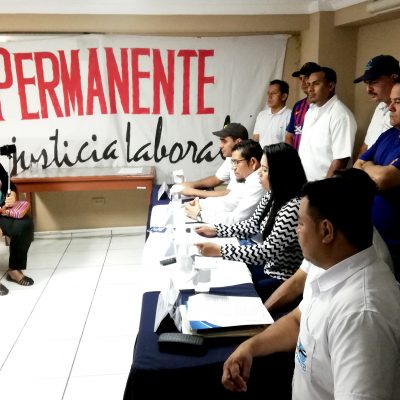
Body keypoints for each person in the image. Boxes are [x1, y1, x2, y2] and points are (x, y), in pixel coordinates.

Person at [222, 170, 400, 399]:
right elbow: (299, 321)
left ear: (326, 231)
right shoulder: (328, 264)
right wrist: (250, 346)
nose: (296, 231)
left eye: (300, 223)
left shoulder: (362, 314)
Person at [195, 142, 307, 301]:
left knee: (226, 290)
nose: (259, 173)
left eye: (265, 170)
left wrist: (221, 250)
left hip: (281, 278)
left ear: (281, 173)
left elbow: (267, 252)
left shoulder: (293, 207)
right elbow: (252, 225)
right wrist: (216, 230)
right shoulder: (272, 194)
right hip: (267, 267)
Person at [354, 78, 400, 281]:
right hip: (371, 238)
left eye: (398, 102)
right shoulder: (388, 135)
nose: (390, 107)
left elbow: (383, 179)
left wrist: (368, 165)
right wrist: (371, 167)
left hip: (395, 246)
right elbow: (356, 167)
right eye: (391, 101)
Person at [184, 139, 264, 225]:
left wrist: (199, 215)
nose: (233, 167)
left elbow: (237, 220)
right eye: (232, 162)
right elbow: (227, 203)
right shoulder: (248, 179)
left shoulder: (258, 183)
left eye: (236, 162)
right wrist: (200, 204)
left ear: (253, 162)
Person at [298, 66, 356, 181]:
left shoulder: (341, 115)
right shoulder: (310, 111)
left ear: (330, 86)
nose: (310, 89)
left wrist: (324, 189)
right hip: (305, 183)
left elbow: (340, 160)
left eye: (316, 84)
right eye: (309, 84)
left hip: (325, 187)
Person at [179, 123, 248, 198]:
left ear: (238, 142)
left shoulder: (248, 163)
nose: (220, 146)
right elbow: (216, 179)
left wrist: (192, 192)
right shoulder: (230, 157)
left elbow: (232, 194)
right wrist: (192, 184)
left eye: (224, 141)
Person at [354, 54, 400, 157]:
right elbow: (366, 145)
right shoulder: (380, 107)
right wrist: (357, 166)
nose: (368, 90)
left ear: (394, 78)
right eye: (366, 83)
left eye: (374, 82)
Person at [0, 163, 34, 296]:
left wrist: (12, 195)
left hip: (3, 212)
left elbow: (9, 184)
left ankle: (14, 270)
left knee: (25, 225)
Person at [285, 61, 320, 150]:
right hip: (296, 158)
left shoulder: (323, 106)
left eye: (306, 77)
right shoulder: (298, 106)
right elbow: (290, 136)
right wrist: (290, 156)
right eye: (300, 78)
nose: (303, 82)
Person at [252, 80, 291, 148]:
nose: (269, 97)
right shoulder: (261, 115)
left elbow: (290, 143)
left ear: (284, 96)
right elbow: (255, 139)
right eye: (268, 93)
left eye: (273, 93)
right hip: (261, 154)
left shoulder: (290, 115)